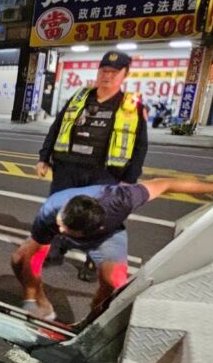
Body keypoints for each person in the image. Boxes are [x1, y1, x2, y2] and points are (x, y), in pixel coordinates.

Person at [11, 178, 213, 326]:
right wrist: (31, 296)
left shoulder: (122, 200)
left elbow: (165, 185)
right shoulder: (53, 211)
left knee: (114, 282)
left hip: (108, 237)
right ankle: (43, 304)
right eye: (61, 223)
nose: (60, 229)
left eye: (64, 228)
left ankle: (92, 323)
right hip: (70, 226)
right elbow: (33, 258)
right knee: (18, 259)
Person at [36, 51, 148, 281]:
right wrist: (44, 157)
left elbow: (140, 145)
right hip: (67, 168)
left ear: (125, 75)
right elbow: (57, 127)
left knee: (100, 218)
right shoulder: (79, 97)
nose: (107, 76)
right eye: (104, 71)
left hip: (104, 173)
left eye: (114, 72)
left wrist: (130, 179)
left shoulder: (131, 106)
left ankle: (92, 260)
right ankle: (56, 249)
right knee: (59, 210)